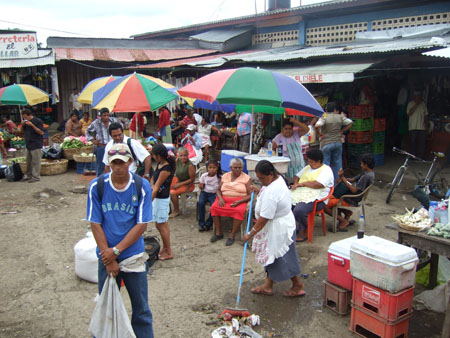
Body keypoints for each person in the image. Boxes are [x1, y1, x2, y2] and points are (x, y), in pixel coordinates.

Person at [86, 143, 154, 338]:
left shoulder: (141, 186)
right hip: (106, 256)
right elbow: (95, 223)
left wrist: (115, 252)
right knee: (106, 306)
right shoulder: (97, 186)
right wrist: (109, 257)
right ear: (108, 162)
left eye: (121, 163)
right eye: (114, 162)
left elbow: (141, 225)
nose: (117, 167)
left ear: (130, 162)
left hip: (132, 256)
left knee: (141, 308)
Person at [243, 160, 305, 297]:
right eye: (258, 178)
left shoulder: (272, 190)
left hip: (279, 227)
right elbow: (270, 198)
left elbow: (265, 217)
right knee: (271, 255)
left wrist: (251, 233)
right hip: (279, 223)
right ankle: (268, 285)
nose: (261, 181)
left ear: (271, 174)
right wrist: (259, 191)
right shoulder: (277, 179)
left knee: (283, 257)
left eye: (262, 178)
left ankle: (297, 285)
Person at [291, 149, 334, 242]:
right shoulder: (307, 168)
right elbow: (297, 176)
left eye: (311, 162)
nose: (309, 163)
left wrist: (302, 184)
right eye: (309, 161)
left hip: (318, 198)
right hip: (301, 193)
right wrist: (295, 184)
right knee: (285, 204)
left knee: (299, 210)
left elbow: (318, 184)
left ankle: (305, 229)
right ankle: (294, 227)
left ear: (319, 161)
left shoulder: (326, 170)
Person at [324, 154, 375, 231]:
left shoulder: (366, 176)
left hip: (352, 198)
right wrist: (342, 177)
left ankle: (343, 221)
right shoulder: (366, 173)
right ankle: (347, 214)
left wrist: (343, 178)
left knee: (325, 205)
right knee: (330, 198)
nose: (360, 165)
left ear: (366, 164)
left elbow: (354, 190)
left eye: (361, 163)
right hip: (352, 195)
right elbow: (352, 180)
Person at [210, 158, 252, 246]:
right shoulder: (225, 176)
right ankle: (218, 233)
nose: (238, 169)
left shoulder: (246, 178)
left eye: (240, 168)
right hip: (224, 199)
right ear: (230, 167)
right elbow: (218, 190)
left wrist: (239, 201)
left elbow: (250, 195)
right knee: (214, 208)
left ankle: (232, 235)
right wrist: (220, 199)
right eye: (235, 167)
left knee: (239, 211)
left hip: (240, 200)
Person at [315, 102, 353, 184]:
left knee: (326, 165)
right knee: (337, 164)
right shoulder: (340, 117)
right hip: (338, 143)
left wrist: (319, 133)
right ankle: (337, 183)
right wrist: (342, 130)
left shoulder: (324, 117)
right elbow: (350, 122)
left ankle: (327, 184)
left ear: (326, 110)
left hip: (326, 143)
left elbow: (317, 125)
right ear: (335, 109)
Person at [150, 144, 175, 261]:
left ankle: (168, 250)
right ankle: (165, 248)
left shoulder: (166, 169)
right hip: (158, 199)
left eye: (154, 155)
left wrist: (148, 201)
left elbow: (156, 186)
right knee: (159, 224)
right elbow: (153, 180)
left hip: (161, 200)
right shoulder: (160, 165)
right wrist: (152, 185)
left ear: (159, 156)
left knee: (162, 224)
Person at [85, 107, 120, 176]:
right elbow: (87, 131)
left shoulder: (113, 121)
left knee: (114, 164)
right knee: (100, 166)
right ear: (100, 116)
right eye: (104, 115)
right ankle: (99, 181)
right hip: (101, 147)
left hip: (113, 146)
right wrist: (92, 140)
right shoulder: (96, 123)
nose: (106, 117)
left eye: (107, 115)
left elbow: (121, 127)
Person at [169, 147, 196, 218]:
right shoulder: (177, 161)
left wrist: (179, 184)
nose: (183, 157)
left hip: (188, 184)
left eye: (185, 155)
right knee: (167, 188)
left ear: (188, 155)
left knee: (172, 193)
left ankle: (176, 210)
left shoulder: (190, 166)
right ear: (178, 155)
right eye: (181, 155)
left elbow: (192, 180)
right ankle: (167, 209)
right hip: (179, 180)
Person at [20, 109, 45, 183]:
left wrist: (32, 125)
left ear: (30, 115)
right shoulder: (25, 123)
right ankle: (28, 175)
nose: (25, 119)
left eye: (25, 117)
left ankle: (36, 176)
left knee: (36, 161)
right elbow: (21, 132)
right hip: (28, 143)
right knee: (28, 161)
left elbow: (41, 132)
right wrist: (22, 125)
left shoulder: (38, 121)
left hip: (36, 143)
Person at [198, 160, 221, 232]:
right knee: (200, 203)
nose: (212, 169)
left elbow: (220, 187)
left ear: (217, 168)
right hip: (205, 192)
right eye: (210, 167)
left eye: (214, 167)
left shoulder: (219, 177)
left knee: (214, 206)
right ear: (207, 168)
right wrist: (200, 186)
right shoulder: (204, 176)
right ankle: (201, 223)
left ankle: (208, 224)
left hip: (214, 194)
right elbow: (201, 186)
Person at [407, 91, 428, 158]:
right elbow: (409, 113)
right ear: (414, 97)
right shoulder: (410, 104)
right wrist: (416, 104)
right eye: (417, 96)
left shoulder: (423, 104)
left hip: (421, 127)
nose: (418, 98)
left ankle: (420, 156)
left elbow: (425, 115)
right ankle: (412, 156)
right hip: (413, 127)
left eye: (419, 96)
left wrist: (426, 125)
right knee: (412, 142)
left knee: (421, 143)